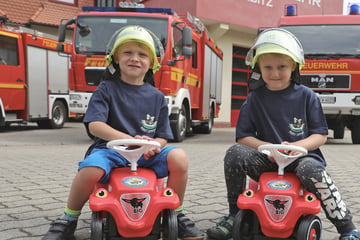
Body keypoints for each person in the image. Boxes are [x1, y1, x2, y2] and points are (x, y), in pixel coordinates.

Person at [42, 25, 205, 240]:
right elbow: (95, 125)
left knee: (179, 158)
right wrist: (128, 139)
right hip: (110, 151)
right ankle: (68, 219)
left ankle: (176, 213)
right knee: (90, 169)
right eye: (128, 53)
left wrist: (152, 145)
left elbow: (163, 136)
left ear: (152, 63)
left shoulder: (157, 97)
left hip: (146, 155)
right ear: (116, 58)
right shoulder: (106, 89)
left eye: (142, 55)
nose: (135, 58)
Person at [206, 28, 360, 240]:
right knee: (235, 153)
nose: (275, 73)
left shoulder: (308, 97)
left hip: (301, 158)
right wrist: (265, 148)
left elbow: (320, 135)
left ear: (294, 66)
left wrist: (299, 147)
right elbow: (244, 137)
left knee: (313, 171)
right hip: (267, 158)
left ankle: (346, 227)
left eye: (282, 67)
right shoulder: (254, 98)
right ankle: (234, 214)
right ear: (258, 66)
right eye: (267, 67)